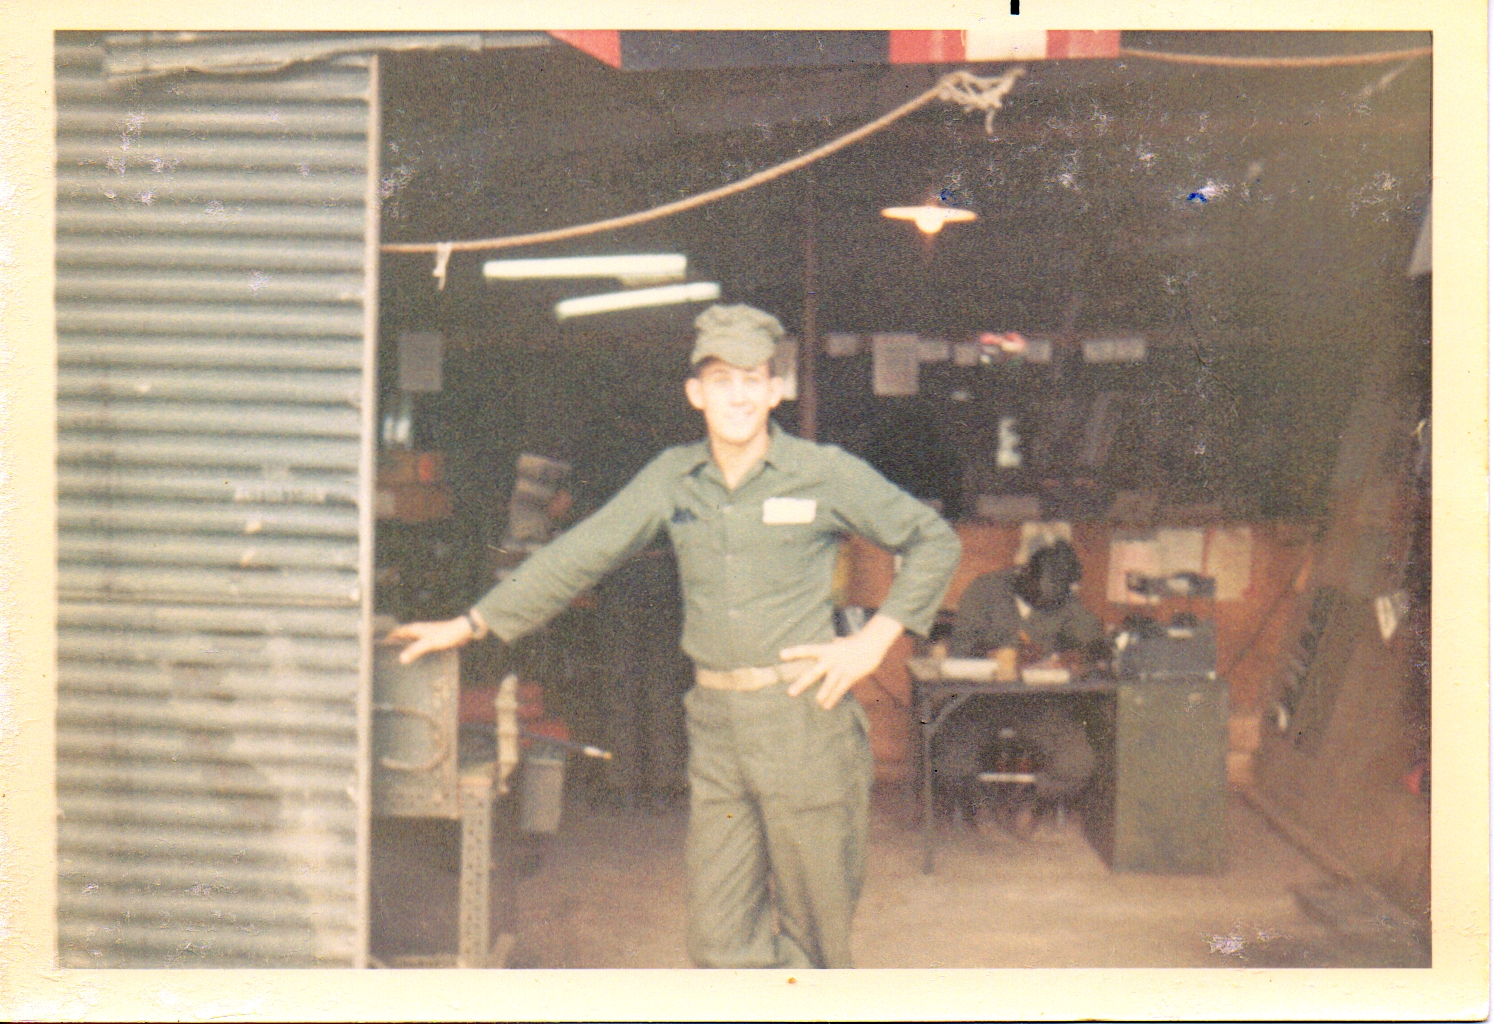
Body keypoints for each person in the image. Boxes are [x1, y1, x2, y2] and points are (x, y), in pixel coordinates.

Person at [387, 304, 961, 969]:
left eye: (752, 379)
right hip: (716, 727)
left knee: (818, 941)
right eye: (721, 380)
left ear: (775, 389)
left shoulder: (822, 471)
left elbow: (933, 540)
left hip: (804, 722)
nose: (738, 396)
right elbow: (579, 553)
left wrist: (873, 642)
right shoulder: (673, 477)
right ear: (696, 393)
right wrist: (471, 623)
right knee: (717, 940)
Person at [936, 540, 1105, 835]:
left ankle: (1033, 803)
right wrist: (999, 653)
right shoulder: (985, 589)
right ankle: (975, 802)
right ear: (1025, 572)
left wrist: (1075, 656)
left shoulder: (1061, 598)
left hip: (1036, 703)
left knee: (1078, 762)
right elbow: (959, 647)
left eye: (1049, 603)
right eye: (1036, 596)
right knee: (950, 759)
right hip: (977, 700)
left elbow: (1092, 638)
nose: (1041, 605)